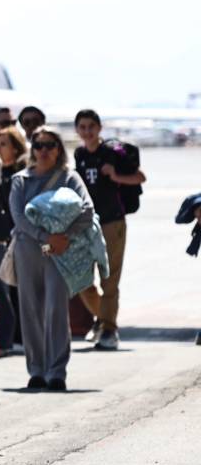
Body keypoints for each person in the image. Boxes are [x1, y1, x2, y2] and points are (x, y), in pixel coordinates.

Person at [9, 127, 94, 391]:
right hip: (29, 248)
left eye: (50, 145)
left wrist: (63, 236)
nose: (44, 151)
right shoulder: (20, 180)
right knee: (30, 308)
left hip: (60, 250)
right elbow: (18, 216)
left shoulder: (70, 178)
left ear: (59, 149)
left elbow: (88, 211)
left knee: (56, 307)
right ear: (32, 150)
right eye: (39, 145)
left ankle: (57, 371)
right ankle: (36, 369)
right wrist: (43, 236)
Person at [73, 109, 146, 351]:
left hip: (112, 222)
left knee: (109, 278)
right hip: (86, 223)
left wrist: (115, 176)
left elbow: (140, 177)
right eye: (82, 127)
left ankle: (109, 330)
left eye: (91, 127)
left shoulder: (113, 153)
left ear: (99, 128)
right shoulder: (80, 154)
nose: (87, 132)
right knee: (82, 280)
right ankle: (103, 319)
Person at [0, 126, 28, 353]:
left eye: (4, 144)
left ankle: (21, 337)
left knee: (20, 289)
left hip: (20, 234)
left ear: (15, 146)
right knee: (5, 286)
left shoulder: (24, 173)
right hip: (2, 235)